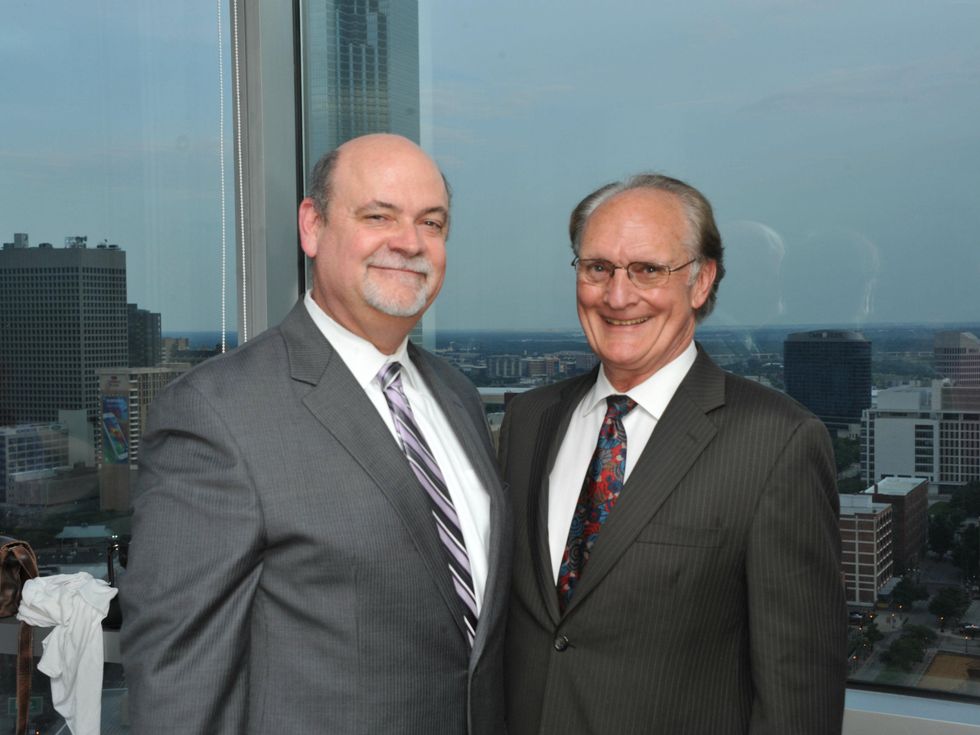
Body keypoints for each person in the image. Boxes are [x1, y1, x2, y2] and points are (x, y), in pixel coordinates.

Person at [121, 134, 511, 734]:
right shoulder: (216, 414)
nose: (409, 243)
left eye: (431, 223)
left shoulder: (456, 396)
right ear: (312, 226)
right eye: (378, 216)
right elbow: (179, 687)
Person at [500, 174, 847, 735]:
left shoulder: (777, 442)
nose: (618, 295)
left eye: (648, 270)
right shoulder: (528, 421)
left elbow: (797, 695)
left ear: (701, 280)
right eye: (598, 268)